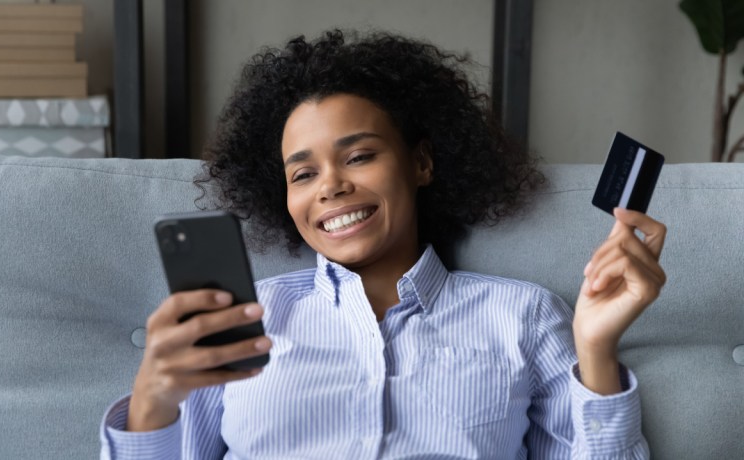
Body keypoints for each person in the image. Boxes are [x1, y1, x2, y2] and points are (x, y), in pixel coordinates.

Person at [100, 30, 666, 459]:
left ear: (420, 162)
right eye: (302, 174)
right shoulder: (244, 320)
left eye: (359, 156)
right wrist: (151, 398)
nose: (331, 186)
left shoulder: (521, 316)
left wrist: (595, 349)